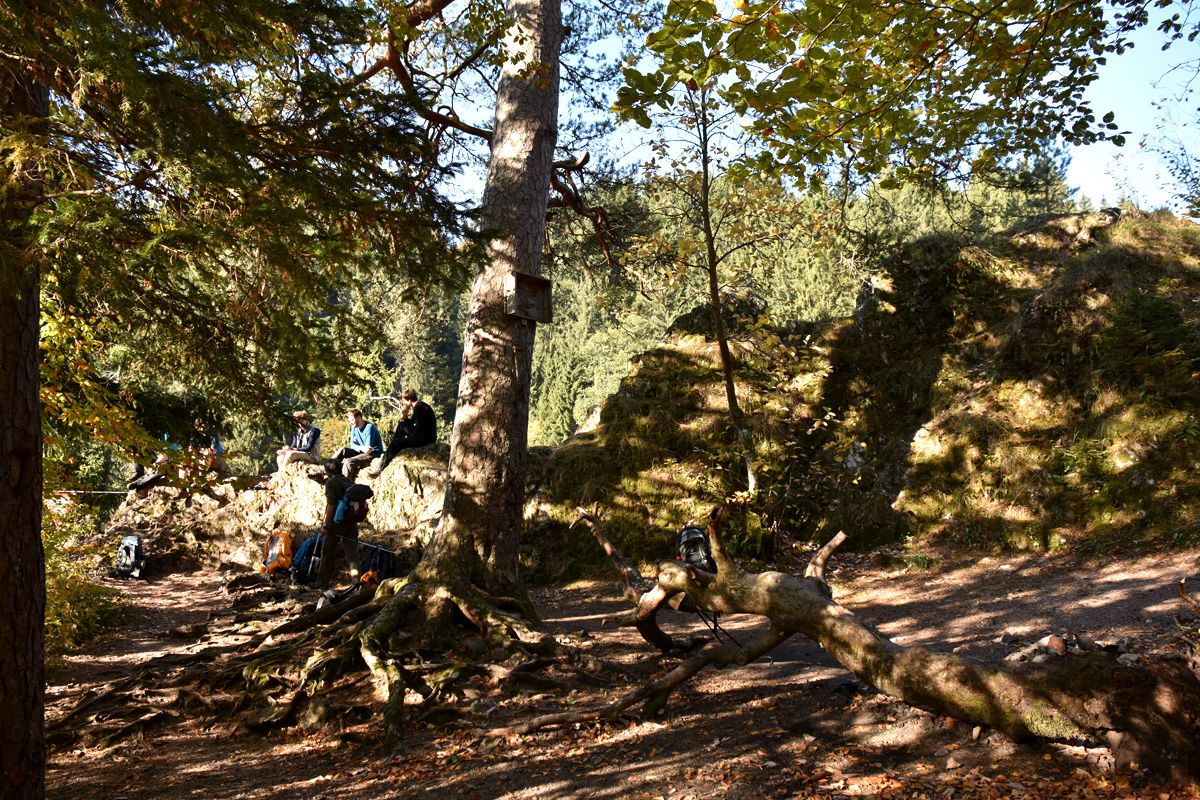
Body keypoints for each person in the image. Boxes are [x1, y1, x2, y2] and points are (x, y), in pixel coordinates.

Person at [315, 461, 363, 589]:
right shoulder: (348, 481)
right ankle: (357, 583)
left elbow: (332, 505)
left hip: (337, 523)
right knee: (352, 554)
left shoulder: (331, 483)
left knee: (326, 553)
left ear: (328, 471)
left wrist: (325, 526)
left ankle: (323, 584)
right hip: (351, 522)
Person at [370, 389, 437, 476]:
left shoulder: (418, 408)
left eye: (404, 401)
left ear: (409, 400)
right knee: (402, 426)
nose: (404, 404)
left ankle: (381, 468)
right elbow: (411, 423)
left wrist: (408, 440)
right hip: (425, 436)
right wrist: (405, 415)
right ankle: (392, 450)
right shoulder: (421, 405)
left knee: (396, 443)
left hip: (424, 439)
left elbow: (418, 429)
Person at [328, 407, 383, 479]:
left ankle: (344, 485)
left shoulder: (369, 428)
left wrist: (361, 448)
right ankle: (326, 470)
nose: (350, 422)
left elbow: (368, 451)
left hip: (373, 453)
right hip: (362, 451)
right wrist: (361, 447)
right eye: (350, 420)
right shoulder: (354, 428)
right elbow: (352, 445)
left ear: (359, 417)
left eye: (352, 420)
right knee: (343, 450)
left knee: (348, 462)